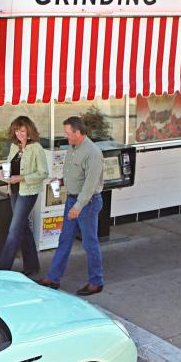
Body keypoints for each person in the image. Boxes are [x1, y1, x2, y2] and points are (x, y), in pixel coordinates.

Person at [39, 116, 106, 296]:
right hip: (72, 199)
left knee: (89, 243)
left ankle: (96, 281)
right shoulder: (73, 147)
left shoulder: (93, 153)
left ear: (78, 132)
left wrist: (77, 207)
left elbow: (90, 186)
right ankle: (53, 278)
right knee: (64, 240)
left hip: (87, 203)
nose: (66, 136)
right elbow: (75, 173)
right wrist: (62, 180)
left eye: (68, 133)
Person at [0, 115, 49, 276]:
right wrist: (6, 173)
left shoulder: (36, 148)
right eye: (16, 131)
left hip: (28, 192)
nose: (19, 134)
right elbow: (9, 164)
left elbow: (43, 173)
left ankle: (2, 271)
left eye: (22, 130)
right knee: (23, 227)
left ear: (29, 131)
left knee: (14, 230)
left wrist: (22, 178)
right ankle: (32, 266)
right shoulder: (15, 147)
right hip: (14, 190)